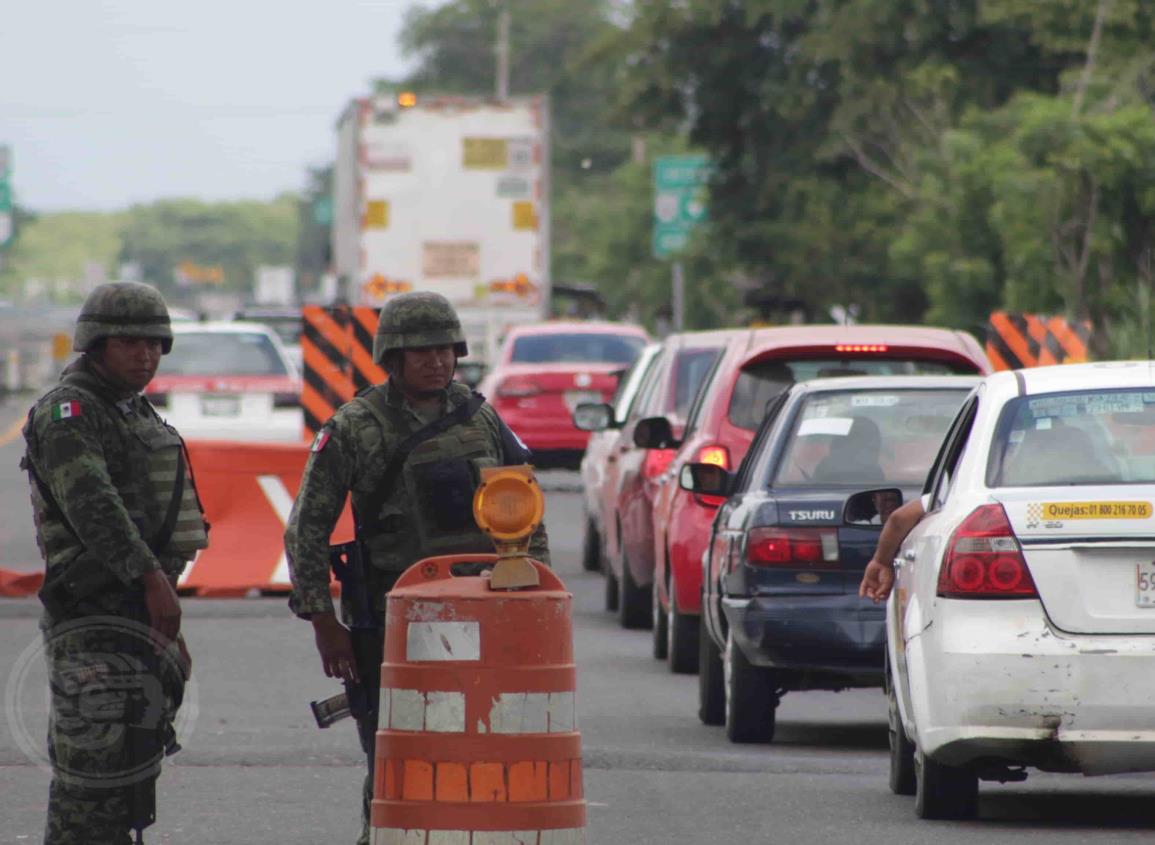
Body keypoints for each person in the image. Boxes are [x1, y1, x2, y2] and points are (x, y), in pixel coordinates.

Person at [284, 292, 550, 845]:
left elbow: (524, 508)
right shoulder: (356, 426)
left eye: (445, 350)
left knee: (480, 754)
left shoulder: (479, 416)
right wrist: (322, 621)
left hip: (484, 616)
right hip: (393, 623)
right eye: (420, 351)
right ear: (393, 357)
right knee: (395, 762)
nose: (436, 361)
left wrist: (540, 596)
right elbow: (306, 528)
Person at [22, 282, 207, 844]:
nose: (144, 354)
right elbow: (93, 506)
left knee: (132, 763)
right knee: (92, 780)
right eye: (129, 343)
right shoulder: (70, 411)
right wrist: (153, 582)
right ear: (96, 344)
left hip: (136, 612)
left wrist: (162, 611)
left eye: (154, 343)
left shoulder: (129, 410)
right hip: (94, 613)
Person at [858, 496, 926, 603]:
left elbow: (899, 519)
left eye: (892, 499)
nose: (888, 503)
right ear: (875, 502)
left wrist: (881, 561)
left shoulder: (947, 497)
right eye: (884, 498)